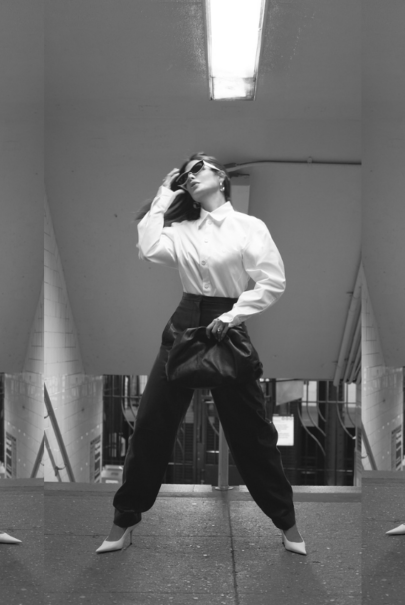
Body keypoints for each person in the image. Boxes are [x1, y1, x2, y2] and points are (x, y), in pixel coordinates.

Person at [96, 152, 306, 555]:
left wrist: (233, 315)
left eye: (197, 170)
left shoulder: (249, 227)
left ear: (220, 176)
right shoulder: (182, 229)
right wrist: (164, 190)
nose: (190, 178)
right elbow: (148, 248)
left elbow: (272, 281)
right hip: (184, 324)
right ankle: (123, 521)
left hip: (226, 325)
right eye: (184, 175)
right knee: (151, 426)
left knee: (253, 433)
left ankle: (287, 523)